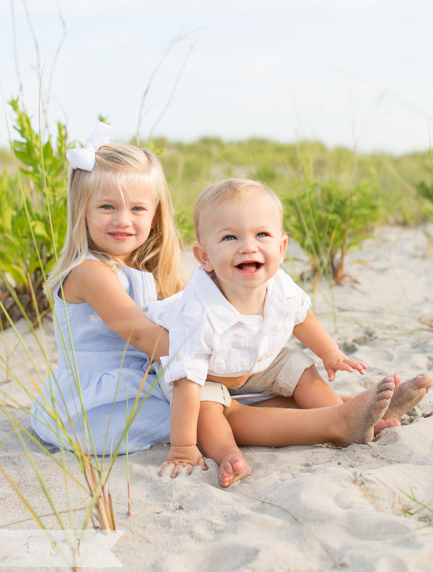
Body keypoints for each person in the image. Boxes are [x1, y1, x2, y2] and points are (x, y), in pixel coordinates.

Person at [149, 178, 432, 487]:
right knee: (206, 411)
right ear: (205, 257)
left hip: (252, 357)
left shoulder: (279, 285)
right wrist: (182, 448)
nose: (248, 246)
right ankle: (229, 452)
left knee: (298, 365)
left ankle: (348, 414)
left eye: (262, 234)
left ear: (281, 247)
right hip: (200, 374)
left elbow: (300, 317)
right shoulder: (197, 311)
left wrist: (329, 353)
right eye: (230, 237)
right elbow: (187, 382)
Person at [30, 122, 185, 453]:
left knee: (227, 400)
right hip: (93, 407)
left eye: (137, 208)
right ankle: (322, 422)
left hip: (136, 382)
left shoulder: (141, 268)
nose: (123, 220)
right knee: (210, 414)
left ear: (156, 215)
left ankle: (316, 414)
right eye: (107, 207)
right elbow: (144, 336)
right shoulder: (90, 272)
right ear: (82, 211)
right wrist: (208, 357)